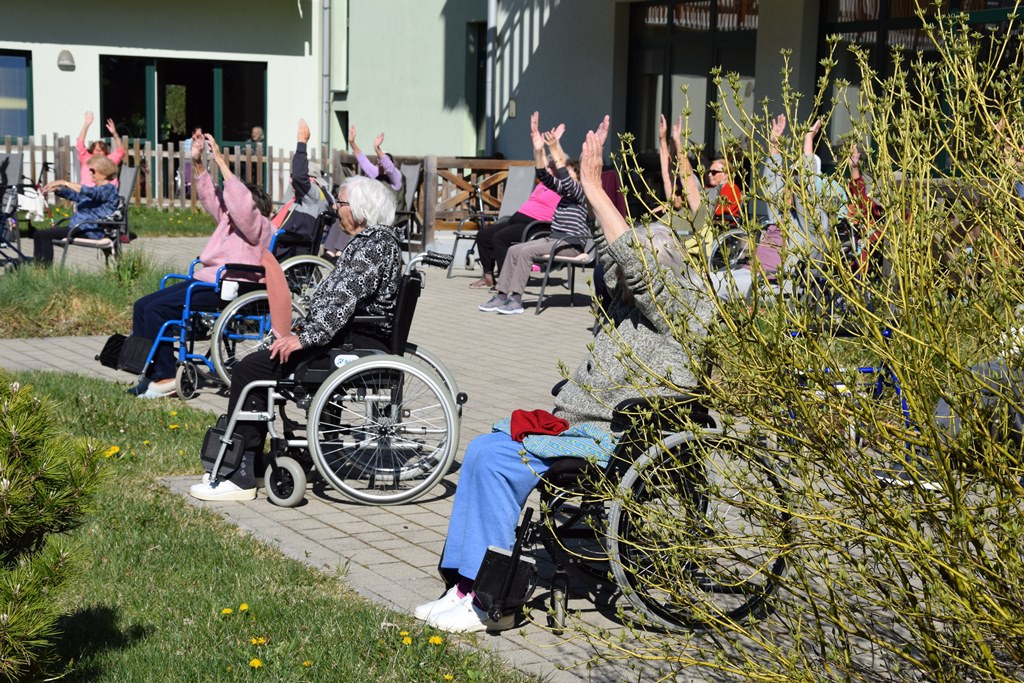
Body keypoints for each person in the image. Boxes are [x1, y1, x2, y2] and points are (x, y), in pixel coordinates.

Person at [415, 115, 714, 633]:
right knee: (487, 451)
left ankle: (490, 600)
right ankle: (464, 586)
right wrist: (568, 174)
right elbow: (607, 243)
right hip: (584, 429)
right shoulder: (640, 305)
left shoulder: (679, 307)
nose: (617, 282)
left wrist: (600, 189)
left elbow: (636, 264)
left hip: (618, 439)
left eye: (628, 275)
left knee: (492, 461)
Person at [189, 175, 404, 502]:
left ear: (361, 210)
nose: (335, 208)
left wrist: (305, 339)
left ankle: (241, 474)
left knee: (251, 370)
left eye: (341, 203)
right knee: (261, 359)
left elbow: (345, 297)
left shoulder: (373, 247)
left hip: (351, 344)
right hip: (349, 336)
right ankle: (253, 463)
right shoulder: (376, 243)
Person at [128, 129, 274, 399]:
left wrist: (220, 160)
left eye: (235, 206)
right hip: (207, 282)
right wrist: (198, 161)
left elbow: (240, 204)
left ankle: (166, 376)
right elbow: (211, 197)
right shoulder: (231, 221)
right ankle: (147, 371)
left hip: (231, 287)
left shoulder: (260, 226)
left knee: (158, 310)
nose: (228, 211)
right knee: (143, 306)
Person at [477, 112, 590, 315]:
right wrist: (538, 150)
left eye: (571, 174)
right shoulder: (563, 193)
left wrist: (554, 147)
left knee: (526, 251)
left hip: (571, 244)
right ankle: (502, 295)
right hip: (553, 239)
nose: (566, 178)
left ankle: (517, 300)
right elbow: (543, 175)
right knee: (514, 249)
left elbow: (564, 177)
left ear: (578, 177)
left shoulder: (580, 193)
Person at [468, 174, 561, 290]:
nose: (549, 169)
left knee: (499, 238)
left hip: (536, 226)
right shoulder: (545, 182)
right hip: (517, 221)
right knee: (483, 235)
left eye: (552, 167)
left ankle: (505, 281)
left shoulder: (563, 186)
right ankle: (488, 277)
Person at [323, 125, 403, 259]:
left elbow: (388, 167)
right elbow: (363, 161)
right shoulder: (376, 175)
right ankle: (330, 251)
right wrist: (352, 143)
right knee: (344, 214)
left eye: (383, 160)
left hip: (387, 215)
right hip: (371, 212)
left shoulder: (396, 178)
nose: (381, 163)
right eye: (379, 161)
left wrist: (377, 149)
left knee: (354, 217)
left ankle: (341, 251)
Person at [33, 156, 120, 265]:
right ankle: (39, 268)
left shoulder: (109, 189)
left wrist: (65, 183)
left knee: (43, 235)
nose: (91, 173)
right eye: (90, 171)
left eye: (93, 171)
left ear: (104, 172)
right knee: (39, 234)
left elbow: (89, 192)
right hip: (81, 227)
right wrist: (58, 189)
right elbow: (77, 196)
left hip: (90, 230)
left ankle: (43, 269)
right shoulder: (97, 189)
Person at [270, 118, 333, 259]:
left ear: (312, 180)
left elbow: (299, 177)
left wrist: (302, 143)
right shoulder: (296, 197)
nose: (292, 181)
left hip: (287, 249)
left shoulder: (315, 195)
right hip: (280, 243)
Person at [76, 111, 125, 188]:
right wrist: (86, 125)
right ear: (92, 151)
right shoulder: (86, 158)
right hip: (88, 193)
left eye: (102, 151)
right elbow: (80, 143)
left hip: (106, 193)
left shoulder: (110, 160)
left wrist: (114, 133)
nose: (100, 153)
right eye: (97, 150)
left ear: (106, 153)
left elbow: (121, 151)